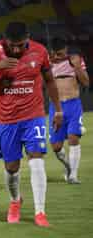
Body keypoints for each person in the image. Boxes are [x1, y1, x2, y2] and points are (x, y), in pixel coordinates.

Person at [0, 22, 63, 227]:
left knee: (36, 158)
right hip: (8, 119)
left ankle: (40, 212)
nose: (15, 49)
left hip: (34, 115)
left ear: (28, 38)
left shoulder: (40, 51)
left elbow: (49, 81)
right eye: (11, 45)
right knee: (11, 167)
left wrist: (57, 109)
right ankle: (15, 201)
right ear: (5, 39)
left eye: (20, 45)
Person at [48, 37, 89, 184]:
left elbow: (85, 82)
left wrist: (77, 67)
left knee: (73, 138)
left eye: (63, 52)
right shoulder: (47, 63)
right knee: (56, 146)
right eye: (57, 54)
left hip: (73, 105)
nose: (61, 56)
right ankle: (68, 167)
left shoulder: (75, 60)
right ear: (52, 52)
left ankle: (73, 176)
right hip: (56, 106)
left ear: (66, 49)